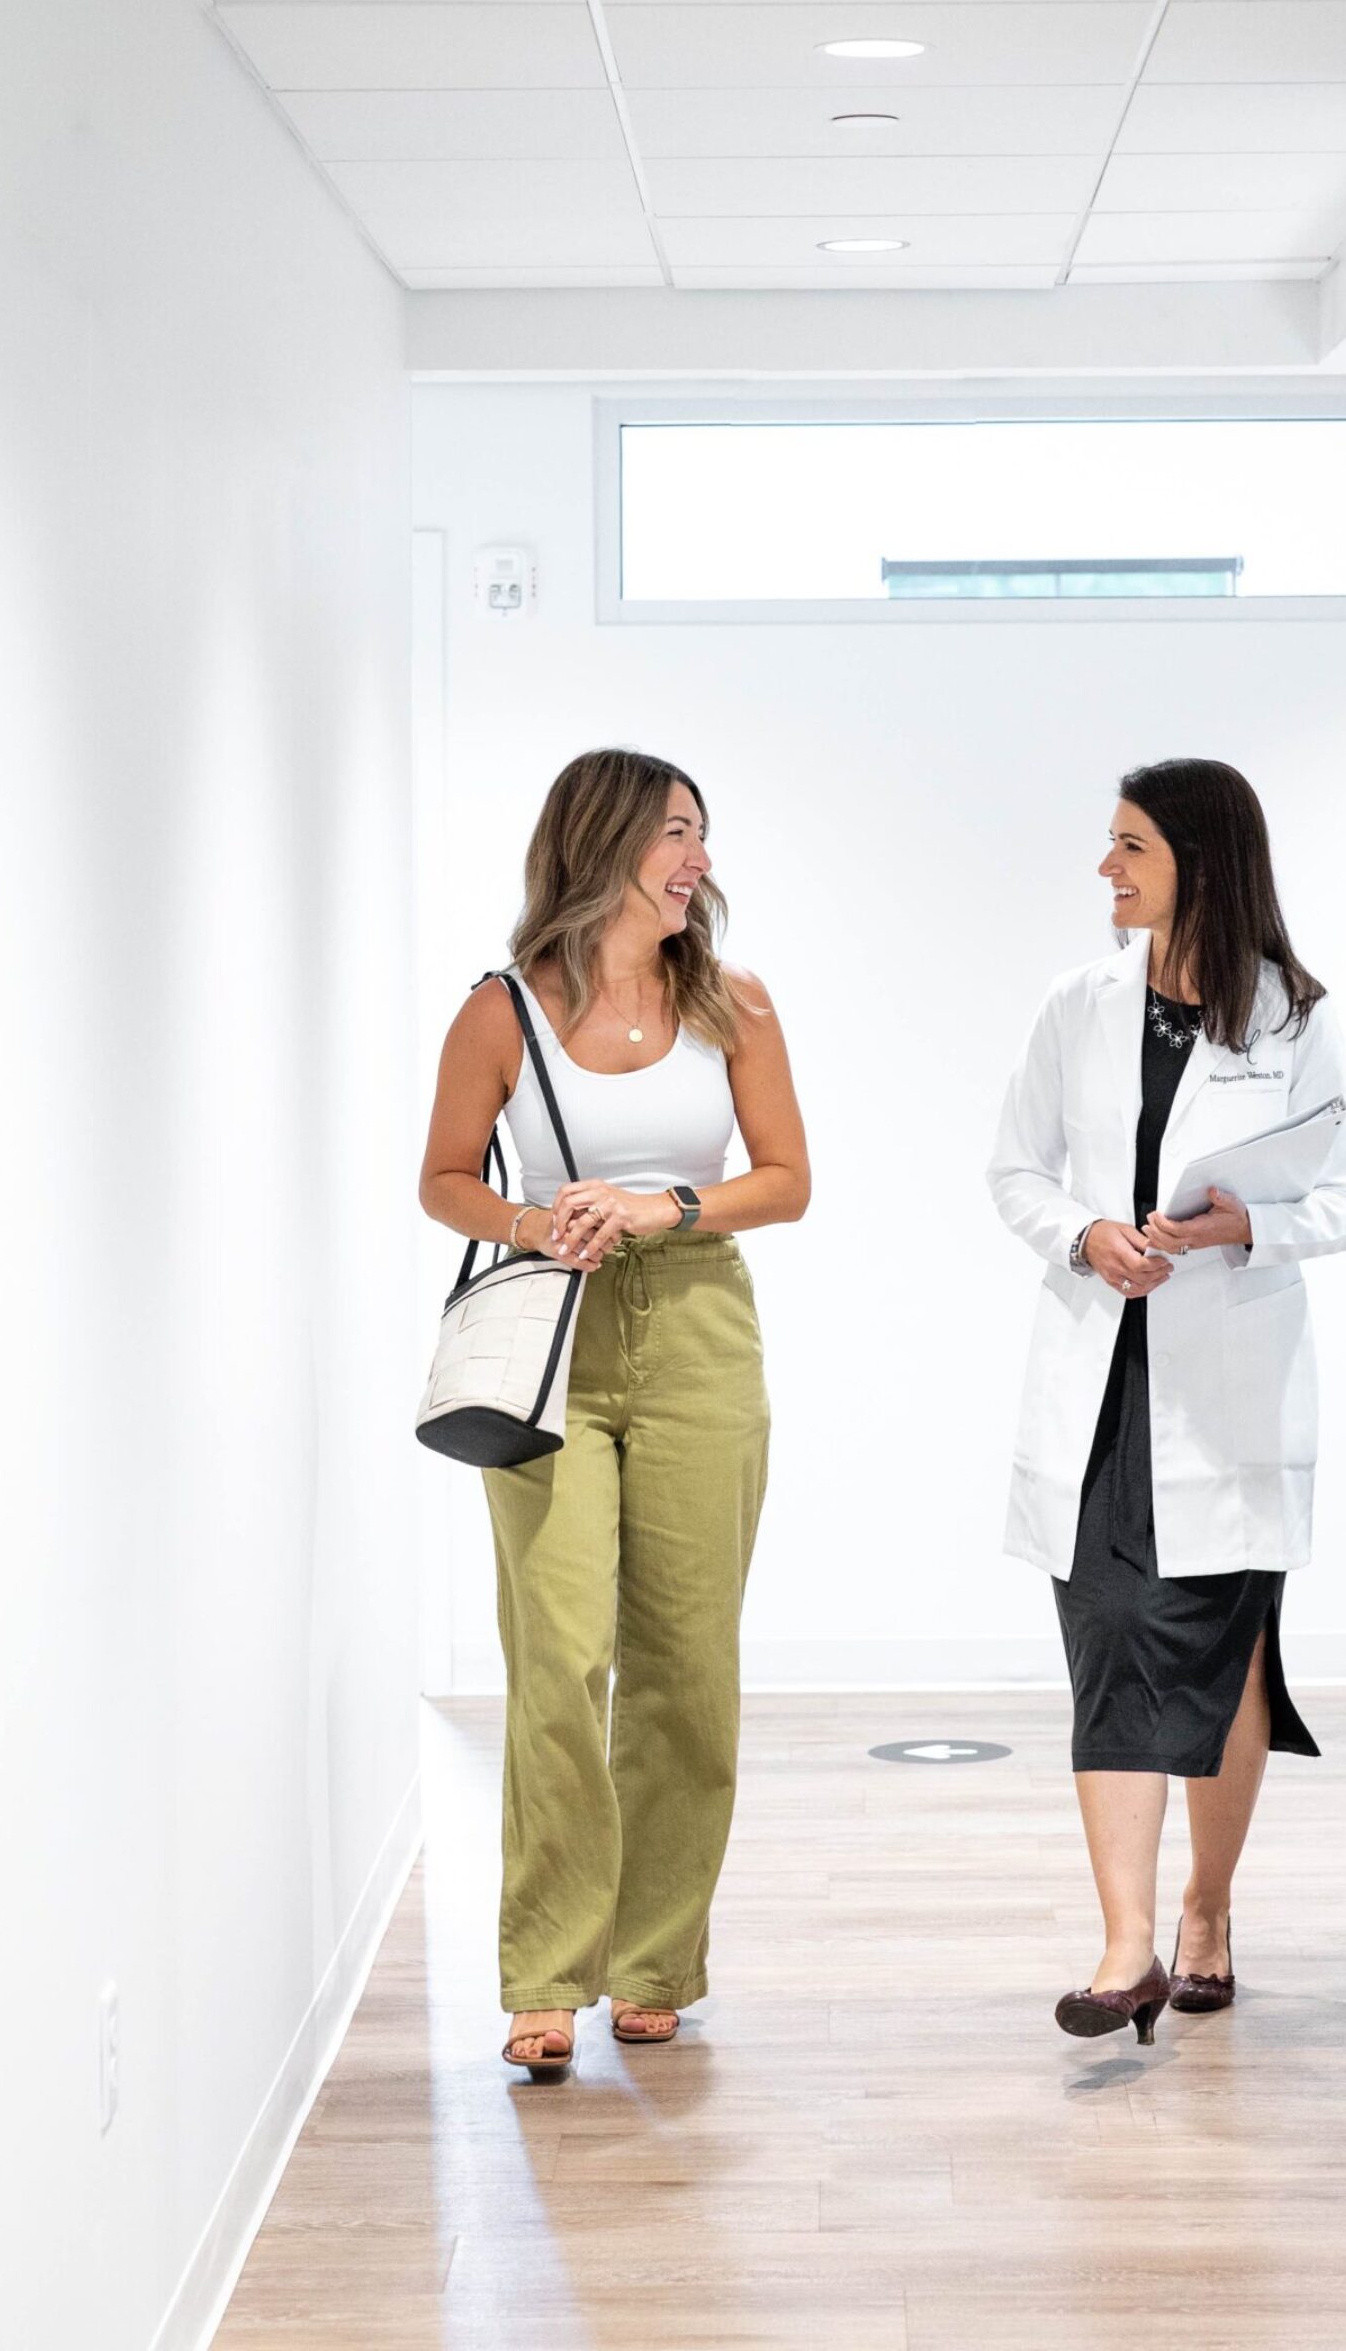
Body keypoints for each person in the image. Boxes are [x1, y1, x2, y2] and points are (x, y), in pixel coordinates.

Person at [419, 748, 810, 2080]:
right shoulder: (501, 1012)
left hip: (701, 1324)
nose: (696, 859)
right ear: (601, 848)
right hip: (550, 1334)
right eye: (673, 836)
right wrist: (540, 1219)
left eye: (702, 833)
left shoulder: (733, 1004)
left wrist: (666, 1206)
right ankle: (545, 1970)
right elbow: (444, 1182)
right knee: (559, 1657)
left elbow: (787, 1180)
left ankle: (654, 1963)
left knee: (688, 1661)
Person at [986, 757, 1346, 2042]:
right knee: (1108, 1648)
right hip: (1101, 1379)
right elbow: (1013, 1169)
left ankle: (1206, 1911)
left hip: (1226, 1386)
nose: (1107, 869)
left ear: (1199, 862)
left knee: (1221, 1656)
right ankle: (1122, 1948)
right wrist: (1086, 1233)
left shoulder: (1291, 1017)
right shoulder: (1076, 1004)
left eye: (1131, 848)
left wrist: (1233, 1230)